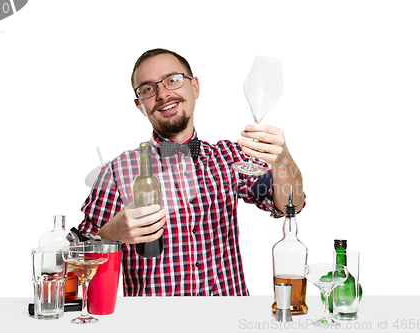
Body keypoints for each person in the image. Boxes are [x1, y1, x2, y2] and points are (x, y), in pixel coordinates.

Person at [78, 48, 304, 296]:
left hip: (229, 317)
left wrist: (283, 161)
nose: (163, 93)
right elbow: (74, 260)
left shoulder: (229, 157)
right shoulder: (116, 172)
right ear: (140, 105)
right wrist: (109, 234)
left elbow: (287, 204)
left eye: (172, 80)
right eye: (148, 89)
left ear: (195, 87)